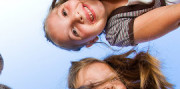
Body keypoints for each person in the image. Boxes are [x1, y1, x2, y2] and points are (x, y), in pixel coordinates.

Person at [44, 0, 180, 50]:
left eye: (64, 12)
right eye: (74, 31)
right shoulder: (117, 31)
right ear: (91, 41)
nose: (76, 17)